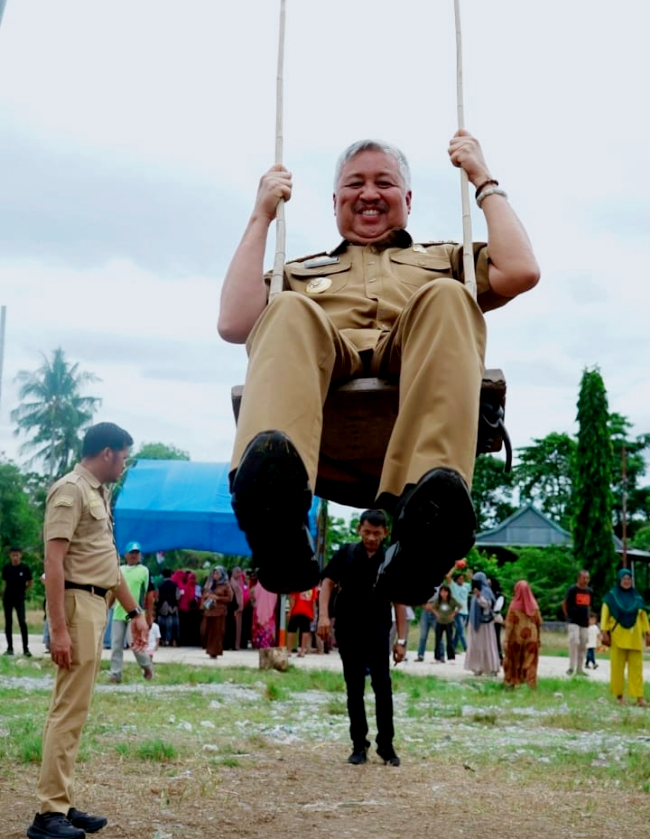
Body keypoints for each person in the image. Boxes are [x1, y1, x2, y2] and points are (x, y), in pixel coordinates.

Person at [219, 131, 540, 602]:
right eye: (354, 184)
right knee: (286, 310)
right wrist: (261, 213)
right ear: (335, 202)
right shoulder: (300, 271)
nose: (369, 193)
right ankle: (275, 515)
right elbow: (234, 321)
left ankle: (428, 523)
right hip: (330, 370)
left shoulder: (445, 260)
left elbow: (521, 271)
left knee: (449, 296)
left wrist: (482, 178)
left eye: (383, 183)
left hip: (410, 361)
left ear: (406, 199)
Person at [27, 422, 149, 839]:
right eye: (124, 456)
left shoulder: (100, 493)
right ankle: (48, 815)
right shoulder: (70, 490)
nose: (125, 464)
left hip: (98, 604)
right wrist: (58, 629)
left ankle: (60, 801)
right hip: (77, 606)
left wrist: (135, 612)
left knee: (75, 711)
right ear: (107, 453)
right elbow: (54, 562)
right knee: (67, 710)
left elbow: (107, 564)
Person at [318, 510, 406, 767]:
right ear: (359, 529)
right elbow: (327, 582)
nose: (371, 538)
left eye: (377, 534)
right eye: (367, 532)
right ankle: (359, 745)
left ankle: (386, 746)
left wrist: (401, 641)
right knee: (354, 687)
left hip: (378, 631)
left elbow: (399, 600)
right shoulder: (346, 553)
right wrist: (323, 616)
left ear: (385, 533)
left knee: (383, 686)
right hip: (348, 630)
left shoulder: (391, 558)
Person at [601, 569, 650, 707]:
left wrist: (648, 633)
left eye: (629, 579)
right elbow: (605, 613)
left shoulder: (637, 598)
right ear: (619, 580)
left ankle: (639, 697)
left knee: (637, 668)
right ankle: (619, 697)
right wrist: (604, 631)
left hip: (635, 637)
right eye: (624, 579)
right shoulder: (611, 597)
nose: (627, 581)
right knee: (617, 668)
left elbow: (643, 616)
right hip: (618, 636)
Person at [108, 542, 154, 684]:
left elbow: (150, 594)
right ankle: (115, 674)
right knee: (116, 645)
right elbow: (114, 591)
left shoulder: (144, 571)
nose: (134, 555)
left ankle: (147, 666)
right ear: (126, 554)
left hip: (136, 614)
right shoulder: (119, 570)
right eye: (132, 553)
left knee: (135, 644)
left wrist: (149, 615)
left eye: (137, 553)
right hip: (119, 613)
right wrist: (107, 607)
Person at [502, 580, 542, 689]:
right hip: (532, 638)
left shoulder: (514, 606)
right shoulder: (534, 606)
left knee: (514, 660)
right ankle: (530, 683)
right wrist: (538, 638)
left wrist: (506, 640)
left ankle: (513, 681)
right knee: (530, 661)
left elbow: (509, 624)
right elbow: (538, 623)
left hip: (516, 638)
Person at [463, 571, 500, 676]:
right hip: (476, 623)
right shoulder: (476, 592)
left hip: (485, 624)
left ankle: (491, 668)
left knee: (487, 645)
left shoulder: (486, 591)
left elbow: (487, 604)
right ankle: (477, 667)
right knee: (476, 646)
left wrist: (479, 597)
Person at [2, 546, 33, 657]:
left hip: (19, 598)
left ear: (21, 555)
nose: (15, 557)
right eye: (13, 555)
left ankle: (26, 649)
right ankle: (10, 648)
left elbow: (30, 582)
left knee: (22, 622)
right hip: (8, 597)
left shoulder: (25, 568)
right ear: (10, 555)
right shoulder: (6, 568)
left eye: (17, 554)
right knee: (8, 623)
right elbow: (5, 582)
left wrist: (23, 592)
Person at [562, 569, 593, 676]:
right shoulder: (572, 590)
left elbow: (589, 606)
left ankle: (580, 669)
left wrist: (589, 618)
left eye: (587, 578)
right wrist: (568, 616)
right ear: (578, 578)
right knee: (574, 642)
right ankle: (571, 667)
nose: (586, 580)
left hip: (584, 622)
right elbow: (565, 603)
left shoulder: (589, 591)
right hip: (573, 621)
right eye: (583, 578)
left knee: (583, 645)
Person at [200, 566, 233, 659]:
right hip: (209, 610)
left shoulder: (225, 585)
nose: (215, 576)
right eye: (214, 573)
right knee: (205, 631)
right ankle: (208, 648)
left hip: (219, 611)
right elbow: (203, 594)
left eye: (217, 574)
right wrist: (206, 596)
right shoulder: (210, 583)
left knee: (216, 633)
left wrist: (218, 598)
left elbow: (230, 598)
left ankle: (214, 652)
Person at [431, 584, 460, 664]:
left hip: (449, 622)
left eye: (445, 592)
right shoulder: (438, 600)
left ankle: (451, 658)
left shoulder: (452, 600)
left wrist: (454, 613)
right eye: (442, 592)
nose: (443, 593)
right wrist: (436, 614)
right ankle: (437, 657)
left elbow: (459, 606)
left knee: (449, 640)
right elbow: (432, 607)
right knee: (438, 640)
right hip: (440, 622)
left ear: (448, 592)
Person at [446, 562, 471, 652]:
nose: (461, 580)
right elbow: (448, 576)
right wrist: (455, 567)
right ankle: (466, 648)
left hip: (465, 612)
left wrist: (468, 572)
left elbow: (473, 582)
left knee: (458, 632)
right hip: (457, 611)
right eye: (460, 578)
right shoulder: (453, 586)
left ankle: (452, 648)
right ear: (456, 580)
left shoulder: (466, 586)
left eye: (462, 579)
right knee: (461, 631)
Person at [287, 587, 318, 656]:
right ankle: (302, 651)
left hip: (296, 611)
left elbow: (293, 599)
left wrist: (290, 612)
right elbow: (313, 602)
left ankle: (289, 651)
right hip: (307, 613)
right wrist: (313, 614)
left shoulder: (298, 584)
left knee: (291, 630)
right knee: (305, 631)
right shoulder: (312, 587)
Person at [250, 576, 277, 649]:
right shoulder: (272, 585)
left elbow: (255, 596)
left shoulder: (259, 585)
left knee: (261, 627)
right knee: (266, 627)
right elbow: (275, 598)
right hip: (269, 611)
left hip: (259, 609)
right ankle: (266, 643)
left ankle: (260, 643)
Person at [156, 568, 180, 647]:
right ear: (171, 575)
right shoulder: (175, 585)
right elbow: (178, 596)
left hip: (163, 608)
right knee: (174, 625)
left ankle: (162, 641)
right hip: (174, 608)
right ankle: (174, 642)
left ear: (162, 576)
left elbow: (157, 597)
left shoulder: (160, 586)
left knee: (162, 625)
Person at [414, 590, 438, 662]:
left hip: (436, 610)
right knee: (423, 635)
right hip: (426, 609)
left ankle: (440, 655)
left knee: (438, 634)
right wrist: (424, 605)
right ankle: (420, 655)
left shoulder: (440, 586)